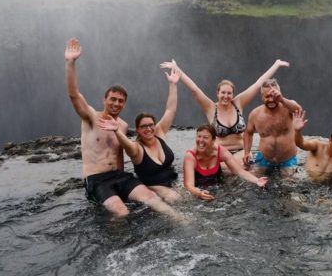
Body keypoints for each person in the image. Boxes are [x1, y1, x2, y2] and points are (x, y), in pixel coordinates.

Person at [64, 38, 180, 219]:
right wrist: (71, 63)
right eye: (113, 99)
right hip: (96, 179)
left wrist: (173, 85)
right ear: (105, 100)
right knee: (121, 211)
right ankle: (120, 245)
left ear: (124, 104)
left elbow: (168, 113)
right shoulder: (91, 117)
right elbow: (73, 94)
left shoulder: (123, 126)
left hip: (120, 176)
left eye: (120, 101)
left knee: (152, 198)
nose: (116, 104)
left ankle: (182, 221)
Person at [163, 59, 289, 160]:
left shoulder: (238, 103)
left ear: (233, 94)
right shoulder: (211, 107)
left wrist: (276, 65)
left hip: (240, 151)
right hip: (219, 153)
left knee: (247, 167)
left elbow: (258, 84)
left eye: (229, 93)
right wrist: (177, 69)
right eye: (223, 93)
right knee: (229, 169)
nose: (226, 96)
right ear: (217, 93)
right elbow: (194, 90)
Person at [95, 60, 183, 204]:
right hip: (153, 187)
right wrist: (117, 131)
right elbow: (127, 146)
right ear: (138, 130)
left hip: (173, 181)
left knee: (191, 195)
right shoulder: (137, 148)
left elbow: (170, 110)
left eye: (150, 125)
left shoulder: (159, 132)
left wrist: (173, 85)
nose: (148, 129)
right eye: (143, 127)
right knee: (177, 200)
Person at [184, 124, 268, 201]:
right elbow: (189, 185)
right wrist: (198, 193)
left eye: (205, 137)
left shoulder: (220, 151)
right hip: (198, 190)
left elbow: (239, 171)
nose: (201, 140)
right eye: (199, 136)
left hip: (218, 187)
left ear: (213, 140)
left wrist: (256, 180)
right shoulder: (190, 156)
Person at [243, 79, 302, 171]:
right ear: (262, 96)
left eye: (273, 96)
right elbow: (248, 133)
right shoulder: (255, 114)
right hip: (264, 160)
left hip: (287, 160)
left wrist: (282, 99)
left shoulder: (287, 108)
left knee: (289, 183)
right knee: (253, 181)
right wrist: (247, 152)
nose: (271, 100)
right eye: (267, 96)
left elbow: (298, 110)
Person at [292, 109, 332, 178]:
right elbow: (301, 144)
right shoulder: (317, 146)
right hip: (306, 181)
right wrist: (297, 131)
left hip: (327, 186)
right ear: (330, 140)